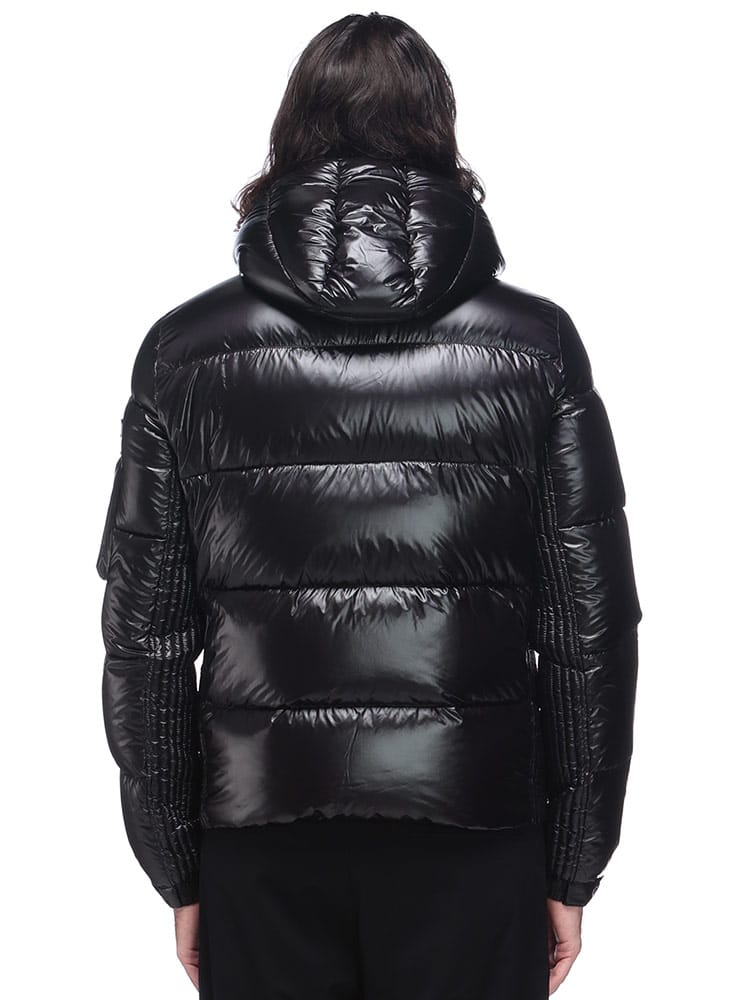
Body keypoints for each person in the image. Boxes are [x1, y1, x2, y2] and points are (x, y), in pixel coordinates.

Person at [96, 12, 642, 999]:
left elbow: (145, 636)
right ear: (440, 133)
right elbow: (588, 632)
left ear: (289, 136)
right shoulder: (536, 348)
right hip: (475, 827)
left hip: (260, 831)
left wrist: (177, 866)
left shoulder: (186, 352)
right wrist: (573, 867)